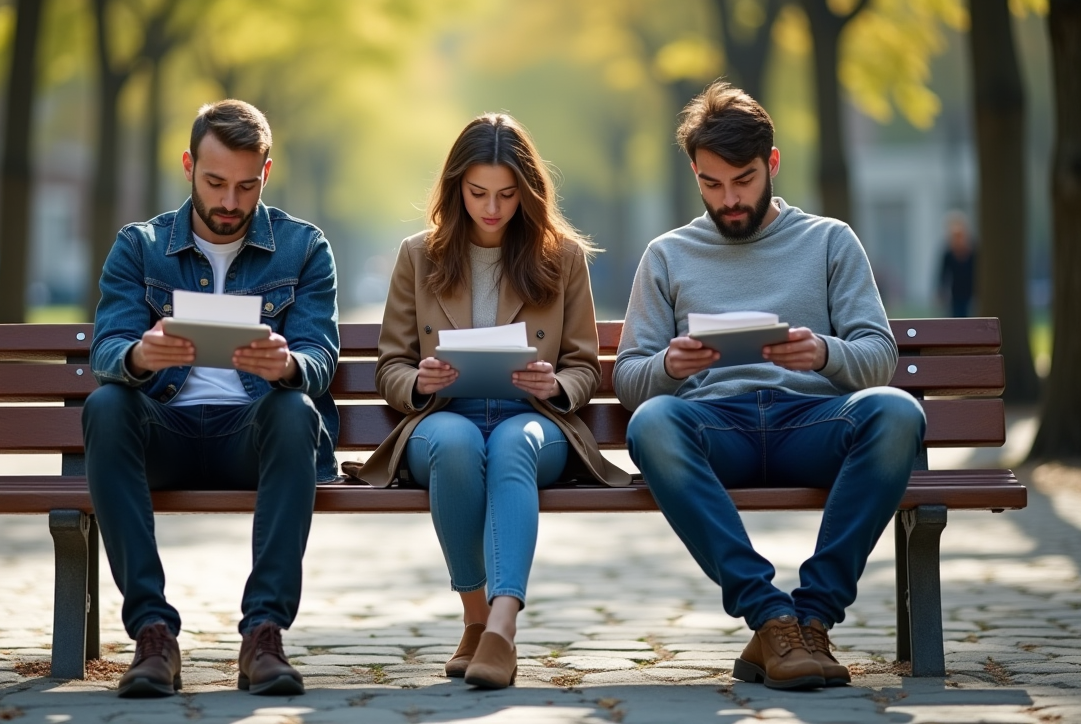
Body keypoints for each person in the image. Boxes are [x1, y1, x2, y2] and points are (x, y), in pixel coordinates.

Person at [614, 81, 925, 691]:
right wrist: (670, 369)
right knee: (651, 423)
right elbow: (629, 380)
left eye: (744, 180)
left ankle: (811, 616)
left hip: (810, 422)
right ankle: (771, 616)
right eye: (711, 184)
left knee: (895, 413)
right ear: (695, 174)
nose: (728, 200)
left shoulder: (830, 240)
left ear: (772, 164)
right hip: (715, 427)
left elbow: (878, 356)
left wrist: (824, 353)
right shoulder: (667, 254)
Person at [354, 113, 631, 690]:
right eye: (478, 192)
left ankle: (501, 629)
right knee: (456, 443)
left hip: (535, 421)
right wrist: (420, 381)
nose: (492, 208)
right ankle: (475, 618)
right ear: (456, 186)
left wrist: (555, 385)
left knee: (513, 444)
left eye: (507, 195)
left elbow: (585, 365)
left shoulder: (563, 257)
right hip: (442, 417)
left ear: (527, 194)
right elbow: (390, 366)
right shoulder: (418, 255)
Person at [83, 100, 339, 698]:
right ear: (188, 166)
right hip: (163, 434)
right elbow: (106, 350)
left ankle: (264, 633)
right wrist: (141, 357)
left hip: (252, 436)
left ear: (266, 175)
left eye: (246, 186)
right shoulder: (139, 246)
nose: (229, 203)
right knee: (105, 405)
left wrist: (289, 366)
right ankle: (152, 633)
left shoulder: (303, 248)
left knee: (295, 409)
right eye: (215, 182)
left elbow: (320, 359)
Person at [938, 212, 976, 317]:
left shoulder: (974, 252)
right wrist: (941, 293)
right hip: (956, 296)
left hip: (973, 296)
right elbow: (943, 276)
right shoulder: (948, 254)